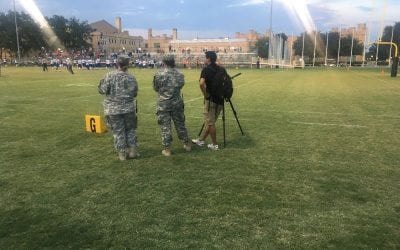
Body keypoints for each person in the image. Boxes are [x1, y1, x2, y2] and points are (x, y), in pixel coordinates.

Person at [98, 55, 139, 161]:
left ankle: (122, 154)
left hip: (113, 109)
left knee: (118, 131)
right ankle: (133, 151)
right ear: (127, 65)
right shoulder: (131, 77)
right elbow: (135, 93)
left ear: (117, 64)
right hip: (128, 108)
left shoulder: (109, 76)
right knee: (130, 129)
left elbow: (102, 90)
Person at [153, 54, 191, 156]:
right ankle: (187, 144)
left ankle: (167, 149)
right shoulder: (179, 74)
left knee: (165, 126)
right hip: (176, 103)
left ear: (164, 62)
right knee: (180, 124)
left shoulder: (159, 74)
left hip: (163, 104)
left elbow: (156, 88)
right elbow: (181, 85)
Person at [192, 51, 224, 150]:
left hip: (211, 100)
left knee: (210, 123)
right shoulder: (221, 69)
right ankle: (201, 140)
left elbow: (201, 84)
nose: (204, 59)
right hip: (220, 100)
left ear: (209, 59)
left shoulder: (206, 69)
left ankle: (214, 144)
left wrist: (206, 94)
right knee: (210, 122)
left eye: (205, 57)